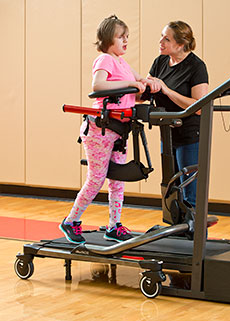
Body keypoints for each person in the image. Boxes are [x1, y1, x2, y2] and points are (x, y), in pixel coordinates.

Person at [59, 15, 159, 244]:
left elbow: (139, 83)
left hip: (119, 131)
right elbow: (98, 86)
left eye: (127, 37)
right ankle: (71, 221)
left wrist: (148, 84)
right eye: (121, 37)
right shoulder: (105, 59)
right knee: (96, 178)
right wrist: (132, 85)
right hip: (100, 130)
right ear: (107, 39)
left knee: (117, 181)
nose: (125, 41)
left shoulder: (122, 62)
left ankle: (114, 225)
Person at [146, 21, 209, 208]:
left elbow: (199, 107)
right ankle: (177, 231)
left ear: (180, 44)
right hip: (167, 134)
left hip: (189, 135)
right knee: (171, 189)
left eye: (167, 39)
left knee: (190, 190)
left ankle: (194, 233)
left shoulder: (196, 67)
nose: (161, 41)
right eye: (161, 36)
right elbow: (146, 93)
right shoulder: (160, 62)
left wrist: (166, 90)